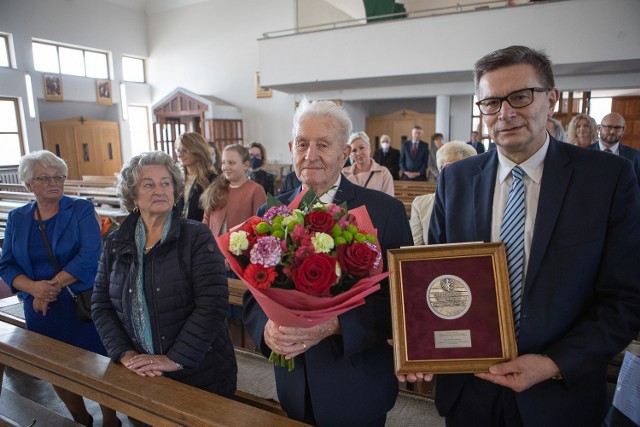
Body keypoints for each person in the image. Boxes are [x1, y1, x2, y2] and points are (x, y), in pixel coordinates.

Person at [405, 45, 640, 427]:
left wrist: (553, 364)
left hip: (558, 395)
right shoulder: (457, 179)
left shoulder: (607, 178)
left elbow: (625, 299)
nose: (505, 113)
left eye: (520, 96)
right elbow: (437, 279)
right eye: (492, 102)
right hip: (470, 390)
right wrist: (421, 344)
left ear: (552, 99)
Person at [244, 99, 413, 427]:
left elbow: (401, 302)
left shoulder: (383, 212)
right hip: (294, 383)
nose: (310, 154)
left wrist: (336, 325)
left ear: (345, 152)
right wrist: (265, 330)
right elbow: (253, 292)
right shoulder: (271, 212)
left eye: (323, 144)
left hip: (355, 381)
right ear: (292, 148)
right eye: (303, 144)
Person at [92, 151, 237, 398]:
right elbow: (101, 305)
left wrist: (174, 359)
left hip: (199, 372)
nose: (159, 190)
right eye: (148, 184)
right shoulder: (117, 242)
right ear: (133, 195)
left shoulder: (196, 237)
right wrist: (126, 355)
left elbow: (212, 303)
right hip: (140, 373)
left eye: (165, 183)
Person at [0, 150, 119, 427]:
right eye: (45, 178)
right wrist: (33, 289)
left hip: (81, 303)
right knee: (56, 368)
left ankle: (111, 418)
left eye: (59, 177)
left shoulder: (80, 209)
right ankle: (80, 417)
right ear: (28, 184)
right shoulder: (18, 218)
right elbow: (6, 264)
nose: (54, 182)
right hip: (40, 308)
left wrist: (49, 289)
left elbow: (89, 256)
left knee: (100, 364)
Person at [410, 141, 476, 245]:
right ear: (440, 171)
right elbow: (415, 251)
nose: (454, 174)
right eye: (448, 168)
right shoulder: (420, 204)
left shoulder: (481, 203)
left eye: (460, 168)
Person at [201, 144, 267, 237]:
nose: (226, 167)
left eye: (231, 163)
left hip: (241, 248)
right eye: (224, 162)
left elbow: (259, 225)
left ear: (246, 165)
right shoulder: (215, 187)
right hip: (214, 246)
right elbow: (206, 220)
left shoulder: (256, 190)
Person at [174, 132, 217, 222]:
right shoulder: (177, 180)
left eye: (185, 150)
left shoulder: (213, 180)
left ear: (198, 151)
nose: (180, 154)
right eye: (178, 150)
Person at [589, 112, 640, 185]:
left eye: (617, 128)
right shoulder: (586, 152)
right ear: (599, 128)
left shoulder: (636, 156)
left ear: (623, 130)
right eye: (608, 127)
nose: (612, 131)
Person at [343, 131, 394, 196]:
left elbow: (389, 201)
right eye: (354, 150)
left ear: (369, 148)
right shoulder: (344, 174)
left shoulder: (383, 173)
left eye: (361, 148)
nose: (358, 153)